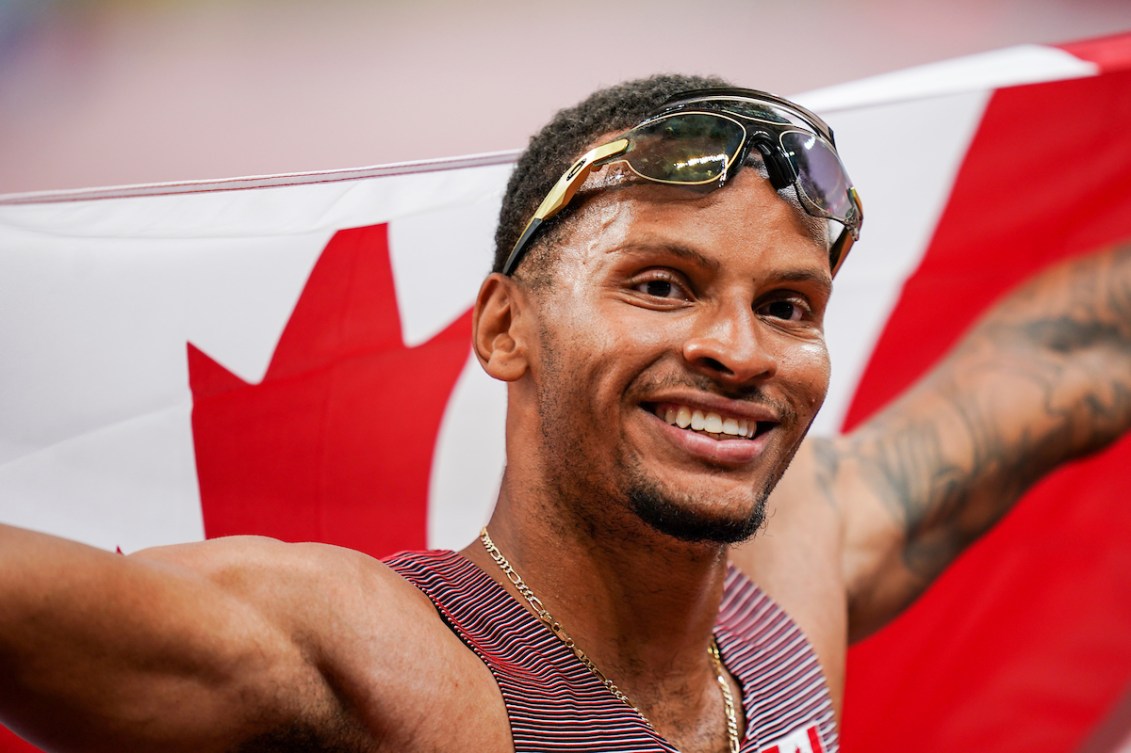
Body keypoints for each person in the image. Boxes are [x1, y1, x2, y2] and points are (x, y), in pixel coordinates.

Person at [1, 74, 1129, 753]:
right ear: (505, 329)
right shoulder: (396, 666)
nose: (738, 351)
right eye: (659, 285)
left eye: (787, 306)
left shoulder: (793, 577)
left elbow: (1081, 343)